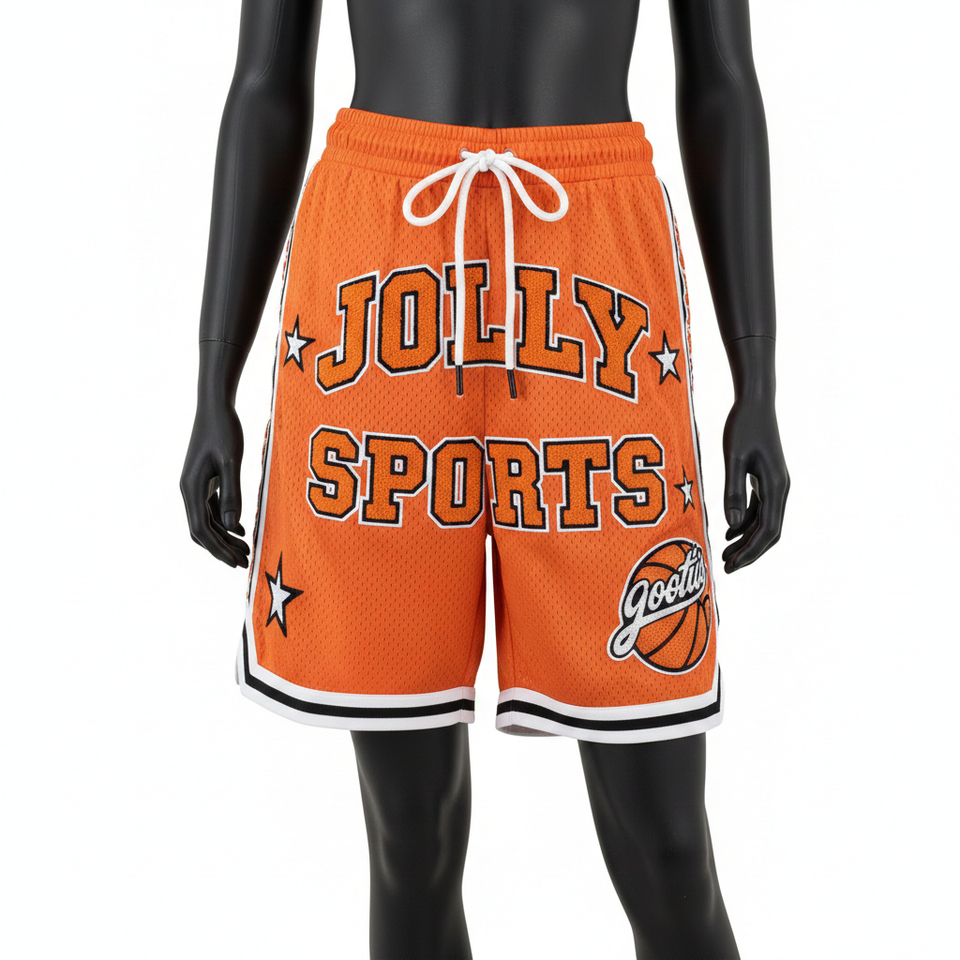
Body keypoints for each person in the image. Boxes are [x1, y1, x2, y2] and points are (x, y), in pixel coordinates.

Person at [181, 1, 789, 957]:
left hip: (595, 275)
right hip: (383, 272)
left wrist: (759, 381)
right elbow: (264, 86)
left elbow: (722, 83)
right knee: (410, 834)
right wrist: (212, 380)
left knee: (666, 838)